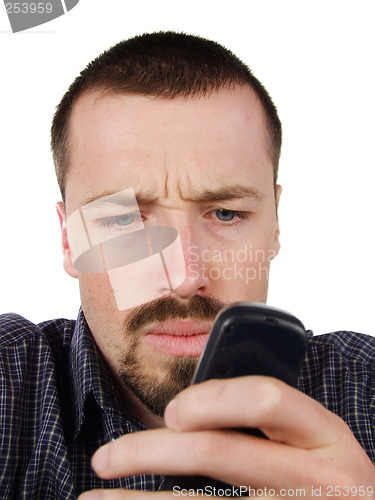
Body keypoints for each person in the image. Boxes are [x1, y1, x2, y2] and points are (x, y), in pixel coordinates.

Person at [0, 31, 374, 499]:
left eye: (225, 213)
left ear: (275, 224)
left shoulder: (368, 391)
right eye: (124, 219)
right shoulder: (6, 382)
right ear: (68, 238)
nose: (184, 278)